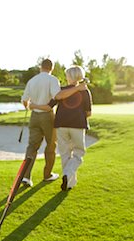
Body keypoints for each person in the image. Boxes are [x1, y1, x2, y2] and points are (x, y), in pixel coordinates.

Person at [21, 59, 86, 187]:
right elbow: (58, 96)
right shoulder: (52, 80)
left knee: (32, 146)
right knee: (51, 145)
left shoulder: (32, 81)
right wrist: (78, 88)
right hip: (47, 116)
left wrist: (31, 106)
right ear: (52, 68)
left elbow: (24, 101)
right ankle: (47, 175)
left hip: (34, 116)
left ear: (40, 67)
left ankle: (26, 177)